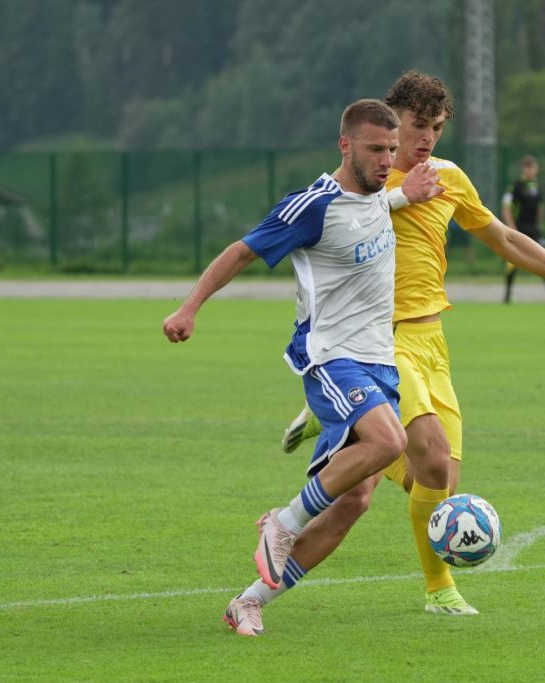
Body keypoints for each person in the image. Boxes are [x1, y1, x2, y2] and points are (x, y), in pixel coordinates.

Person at [245, 71, 545, 634]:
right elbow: (326, 222)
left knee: (433, 480)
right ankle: (438, 586)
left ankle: (263, 577)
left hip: (432, 342)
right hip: (378, 341)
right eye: (418, 125)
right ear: (392, 122)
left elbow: (506, 239)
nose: (426, 138)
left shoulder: (449, 178)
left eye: (437, 128)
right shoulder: (365, 181)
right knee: (429, 453)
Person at [162, 99, 443, 637]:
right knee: (390, 443)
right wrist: (189, 308)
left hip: (379, 361)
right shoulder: (311, 205)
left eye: (391, 149)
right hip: (330, 356)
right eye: (375, 149)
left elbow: (371, 210)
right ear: (345, 145)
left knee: (354, 501)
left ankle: (248, 602)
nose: (387, 160)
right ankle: (283, 521)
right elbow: (242, 251)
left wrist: (407, 193)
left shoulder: (378, 197)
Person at [501, 154, 545, 304]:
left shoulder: (538, 187)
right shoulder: (516, 186)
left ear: (537, 169)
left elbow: (540, 209)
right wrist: (511, 227)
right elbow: (506, 207)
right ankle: (507, 296)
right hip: (519, 228)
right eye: (527, 168)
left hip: (533, 229)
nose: (530, 171)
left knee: (544, 258)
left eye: (532, 167)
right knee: (512, 261)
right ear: (523, 169)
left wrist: (539, 226)